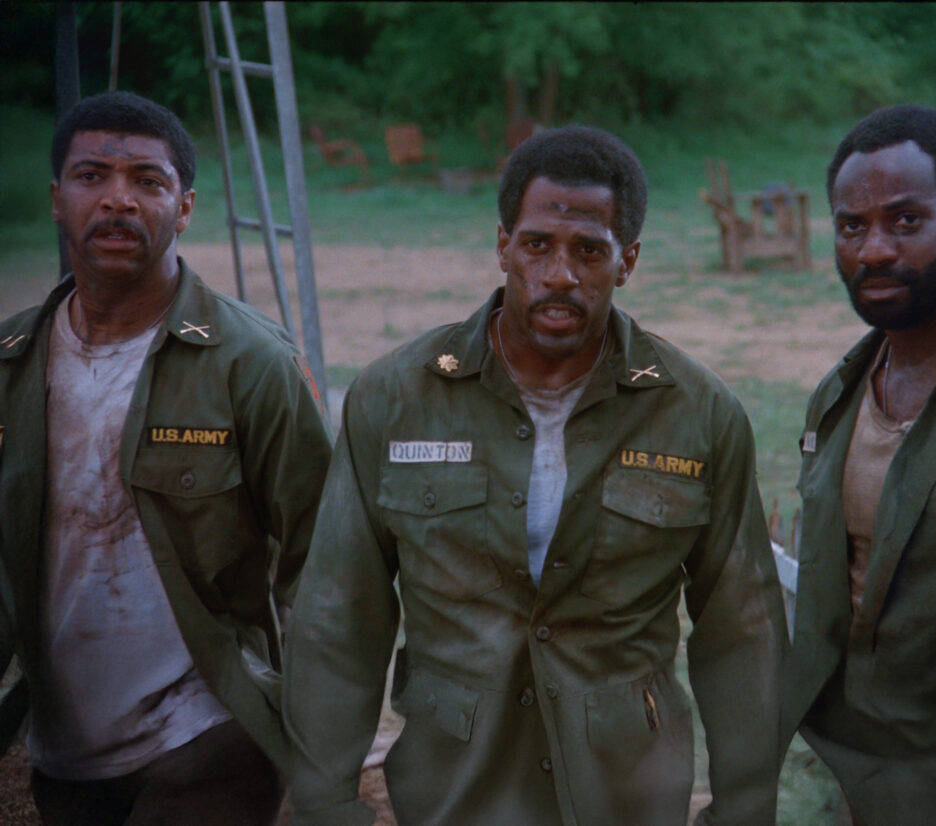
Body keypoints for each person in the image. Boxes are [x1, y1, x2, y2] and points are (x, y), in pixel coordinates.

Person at [284, 125, 789, 826]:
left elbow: (743, 629)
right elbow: (339, 617)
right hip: (453, 787)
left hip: (626, 790)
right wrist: (325, 804)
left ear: (628, 260)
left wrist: (743, 810)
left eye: (589, 251)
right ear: (502, 247)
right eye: (537, 246)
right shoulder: (397, 398)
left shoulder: (696, 413)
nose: (559, 275)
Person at [0, 91, 333, 825]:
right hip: (65, 751)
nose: (118, 200)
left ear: (183, 207)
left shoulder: (251, 364)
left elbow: (325, 561)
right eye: (92, 177)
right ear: (57, 199)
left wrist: (319, 738)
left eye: (147, 182)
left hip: (209, 736)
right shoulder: (12, 366)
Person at [784, 104, 936, 824]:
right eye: (852, 226)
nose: (874, 250)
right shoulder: (840, 393)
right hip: (859, 775)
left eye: (906, 221)